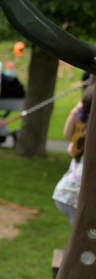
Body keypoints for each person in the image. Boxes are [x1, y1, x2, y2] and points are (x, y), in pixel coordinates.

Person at [52, 80, 94, 225]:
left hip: (67, 193)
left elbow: (67, 135)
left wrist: (76, 110)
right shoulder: (89, 135)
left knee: (81, 232)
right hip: (76, 196)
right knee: (84, 233)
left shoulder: (84, 132)